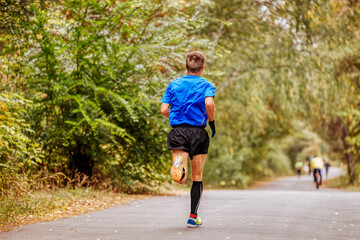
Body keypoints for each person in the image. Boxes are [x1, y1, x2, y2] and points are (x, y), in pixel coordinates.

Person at [160, 51, 215, 228]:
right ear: (202, 68)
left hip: (178, 131)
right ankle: (193, 216)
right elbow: (209, 104)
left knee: (181, 178)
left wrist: (174, 115)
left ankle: (178, 167)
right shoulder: (207, 85)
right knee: (197, 176)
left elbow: (163, 109)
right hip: (198, 132)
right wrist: (211, 122)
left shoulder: (174, 84)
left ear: (186, 66)